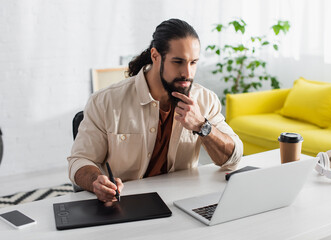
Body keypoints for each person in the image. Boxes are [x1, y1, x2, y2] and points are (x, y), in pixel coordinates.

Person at [67, 19, 243, 202]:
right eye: (178, 62)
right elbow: (79, 161)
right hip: (125, 204)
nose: (187, 73)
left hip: (182, 202)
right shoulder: (105, 102)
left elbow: (233, 158)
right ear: (155, 55)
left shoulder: (205, 100)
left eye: (193, 63)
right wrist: (96, 181)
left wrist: (202, 126)